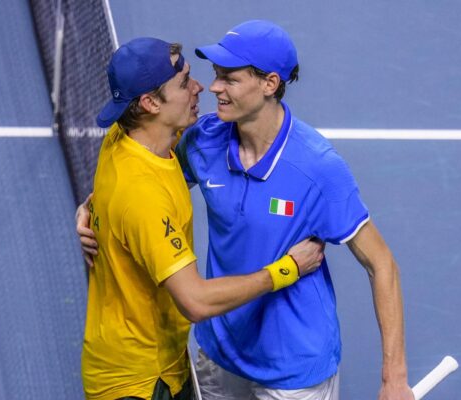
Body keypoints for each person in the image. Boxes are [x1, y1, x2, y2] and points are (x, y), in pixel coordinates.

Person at [78, 21, 414, 400]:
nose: (213, 87)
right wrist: (94, 209)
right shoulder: (202, 142)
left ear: (270, 84)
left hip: (292, 371)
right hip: (219, 356)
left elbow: (381, 263)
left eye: (229, 78)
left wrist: (394, 378)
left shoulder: (317, 169)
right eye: (216, 74)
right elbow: (140, 182)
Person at [80, 37, 324, 400]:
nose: (200, 88)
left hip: (160, 362)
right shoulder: (143, 196)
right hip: (139, 384)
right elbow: (195, 301)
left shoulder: (124, 136)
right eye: (183, 84)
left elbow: (116, 198)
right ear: (148, 103)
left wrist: (90, 210)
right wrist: (286, 269)